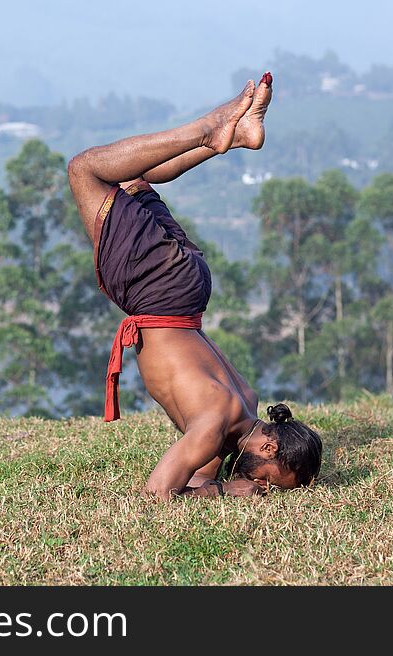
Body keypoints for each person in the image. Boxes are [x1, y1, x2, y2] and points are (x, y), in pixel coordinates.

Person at [67, 71, 322, 500]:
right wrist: (227, 492)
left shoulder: (242, 407)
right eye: (267, 478)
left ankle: (234, 136)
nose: (259, 485)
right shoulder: (212, 428)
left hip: (186, 287)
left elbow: (197, 481)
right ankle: (209, 129)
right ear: (270, 446)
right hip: (160, 291)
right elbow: (156, 496)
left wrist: (218, 488)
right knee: (86, 169)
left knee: (130, 179)